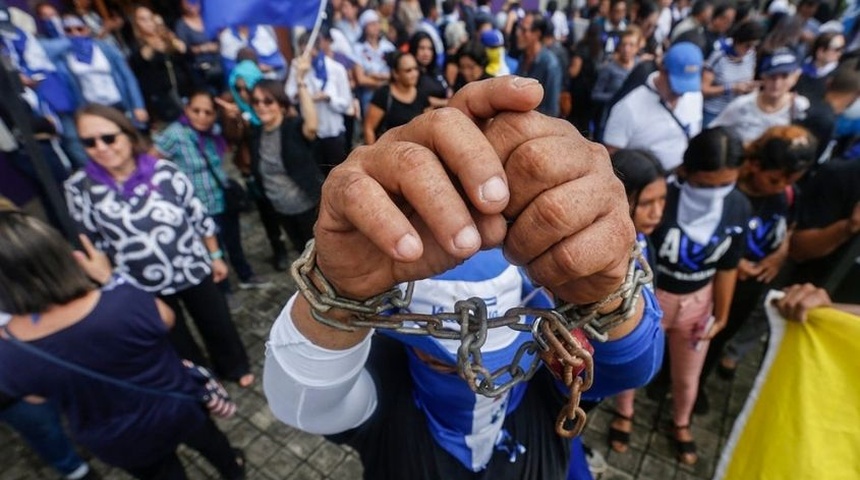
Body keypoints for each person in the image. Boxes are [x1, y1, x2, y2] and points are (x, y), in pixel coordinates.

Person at [263, 76, 665, 479]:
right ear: (408, 343)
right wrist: (338, 293)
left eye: (497, 358)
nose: (477, 379)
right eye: (445, 364)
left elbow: (633, 367)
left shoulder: (549, 377)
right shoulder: (387, 390)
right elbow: (304, 402)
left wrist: (606, 293)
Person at [0, 210, 245, 479]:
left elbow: (36, 396)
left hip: (118, 439)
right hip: (176, 405)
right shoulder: (121, 301)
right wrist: (110, 277)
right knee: (215, 447)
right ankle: (234, 471)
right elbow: (167, 318)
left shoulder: (10, 351)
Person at [63, 104, 254, 388]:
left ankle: (234, 367)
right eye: (89, 142)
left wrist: (214, 255)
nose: (101, 147)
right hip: (141, 282)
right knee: (173, 336)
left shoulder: (163, 171)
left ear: (128, 135)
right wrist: (111, 285)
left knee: (217, 322)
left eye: (109, 138)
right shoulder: (79, 187)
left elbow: (197, 216)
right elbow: (92, 242)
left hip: (191, 266)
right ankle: (200, 379)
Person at [647, 127, 749, 464]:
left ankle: (681, 421)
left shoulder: (737, 205)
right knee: (640, 363)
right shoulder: (662, 195)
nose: (715, 195)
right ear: (687, 171)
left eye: (725, 184)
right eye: (706, 186)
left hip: (698, 303)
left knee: (688, 375)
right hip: (653, 297)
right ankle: (624, 411)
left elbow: (729, 265)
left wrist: (722, 313)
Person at [700, 126, 816, 389]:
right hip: (718, 281)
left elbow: (790, 225)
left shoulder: (786, 195)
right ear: (754, 165)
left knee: (724, 334)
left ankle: (701, 381)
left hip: (752, 285)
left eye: (789, 182)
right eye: (774, 180)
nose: (782, 187)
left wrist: (780, 253)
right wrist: (734, 262)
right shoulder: (727, 194)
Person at [154, 90, 269, 293]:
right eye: (196, 110)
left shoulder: (215, 131)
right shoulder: (174, 134)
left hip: (222, 198)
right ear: (187, 109)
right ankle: (224, 289)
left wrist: (232, 116)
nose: (201, 116)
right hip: (199, 206)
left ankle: (246, 275)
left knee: (234, 242)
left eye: (208, 112)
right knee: (214, 251)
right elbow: (151, 163)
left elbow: (237, 137)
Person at [605, 149, 668, 454]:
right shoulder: (604, 256)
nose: (657, 212)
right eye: (646, 203)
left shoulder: (644, 241)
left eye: (661, 200)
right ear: (619, 198)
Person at [603, 42, 704, 171]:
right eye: (676, 87)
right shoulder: (628, 108)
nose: (680, 94)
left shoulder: (695, 95)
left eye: (686, 88)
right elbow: (611, 157)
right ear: (663, 69)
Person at [250, 78, 323, 255]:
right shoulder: (256, 133)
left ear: (281, 105)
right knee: (301, 252)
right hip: (280, 209)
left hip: (307, 207)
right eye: (256, 101)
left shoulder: (293, 128)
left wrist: (301, 82)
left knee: (320, 252)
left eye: (268, 101)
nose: (261, 106)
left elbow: (312, 125)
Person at [41, 15, 148, 129]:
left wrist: (138, 105)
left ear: (87, 29)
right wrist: (67, 42)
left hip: (119, 104)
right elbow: (42, 51)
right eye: (69, 30)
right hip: (94, 109)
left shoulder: (106, 48)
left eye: (79, 29)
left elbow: (128, 77)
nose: (75, 33)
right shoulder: (65, 56)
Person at [286, 29, 353, 176]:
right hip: (312, 131)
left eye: (309, 53)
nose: (306, 57)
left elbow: (346, 102)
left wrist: (328, 97)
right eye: (302, 53)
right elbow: (289, 94)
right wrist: (302, 87)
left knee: (339, 172)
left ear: (318, 48)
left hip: (333, 129)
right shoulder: (297, 67)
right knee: (317, 173)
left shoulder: (336, 69)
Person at [710, 48, 809, 144]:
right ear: (763, 77)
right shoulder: (742, 105)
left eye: (784, 77)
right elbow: (712, 132)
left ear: (795, 78)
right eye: (772, 77)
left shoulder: (800, 107)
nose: (777, 83)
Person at [128, 5, 190, 125]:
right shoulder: (136, 46)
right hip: (163, 101)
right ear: (136, 24)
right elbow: (142, 59)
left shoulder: (167, 37)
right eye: (142, 19)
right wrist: (153, 41)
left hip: (183, 91)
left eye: (150, 18)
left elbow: (184, 50)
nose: (148, 23)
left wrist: (163, 30)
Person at [701, 20, 764, 126]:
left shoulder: (750, 55)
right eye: (747, 45)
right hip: (714, 111)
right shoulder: (719, 56)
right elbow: (704, 89)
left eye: (754, 46)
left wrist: (750, 87)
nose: (749, 49)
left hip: (735, 110)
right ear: (738, 41)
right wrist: (730, 88)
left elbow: (749, 78)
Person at [363, 51, 430, 145]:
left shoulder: (421, 95)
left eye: (416, 69)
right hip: (386, 151)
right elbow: (369, 128)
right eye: (408, 70)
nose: (414, 74)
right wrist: (373, 154)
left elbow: (428, 125)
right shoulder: (384, 94)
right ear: (395, 73)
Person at [515, 11, 562, 117]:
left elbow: (551, 110)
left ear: (537, 34)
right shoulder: (523, 58)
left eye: (524, 30)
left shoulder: (550, 64)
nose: (518, 34)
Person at [174, 0, 224, 94]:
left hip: (219, 65)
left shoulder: (209, 18)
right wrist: (205, 48)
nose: (191, 5)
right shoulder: (181, 25)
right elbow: (184, 49)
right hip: (199, 70)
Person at [410, 31, 449, 108]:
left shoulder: (436, 69)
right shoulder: (411, 72)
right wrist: (446, 102)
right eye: (422, 48)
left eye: (430, 49)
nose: (426, 53)